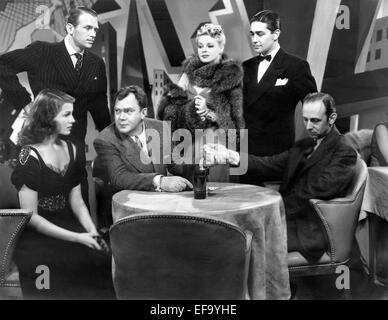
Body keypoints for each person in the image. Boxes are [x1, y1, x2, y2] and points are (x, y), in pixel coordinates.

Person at [204, 92, 357, 261]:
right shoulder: (305, 145)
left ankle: (264, 287)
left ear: (332, 118)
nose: (308, 126)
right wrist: (231, 156)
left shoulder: (344, 151)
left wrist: (269, 210)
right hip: (288, 219)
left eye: (315, 120)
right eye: (305, 119)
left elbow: (316, 191)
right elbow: (270, 164)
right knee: (228, 231)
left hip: (309, 228)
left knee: (240, 241)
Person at [11, 89, 115, 299]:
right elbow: (32, 218)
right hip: (38, 239)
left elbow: (77, 202)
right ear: (48, 117)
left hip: (70, 225)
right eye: (66, 114)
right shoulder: (28, 157)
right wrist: (78, 238)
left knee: (102, 258)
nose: (74, 120)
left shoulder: (73, 148)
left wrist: (91, 232)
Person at [0, 6, 111, 203]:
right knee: (42, 218)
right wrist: (25, 103)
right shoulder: (42, 52)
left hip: (75, 153)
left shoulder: (96, 64)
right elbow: (3, 65)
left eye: (95, 29)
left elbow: (100, 110)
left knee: (79, 212)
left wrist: (117, 141)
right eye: (87, 28)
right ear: (69, 28)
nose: (93, 33)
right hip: (41, 152)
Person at [157, 23, 244, 182]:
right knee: (188, 194)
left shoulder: (229, 78)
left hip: (215, 144)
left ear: (220, 47)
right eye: (200, 46)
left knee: (214, 196)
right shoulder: (187, 74)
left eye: (210, 45)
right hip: (186, 143)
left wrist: (208, 113)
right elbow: (170, 112)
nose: (204, 50)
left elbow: (234, 124)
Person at [242, 10, 316, 185]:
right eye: (252, 34)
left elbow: (316, 105)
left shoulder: (296, 66)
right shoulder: (246, 67)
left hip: (276, 155)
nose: (254, 39)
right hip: (245, 153)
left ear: (276, 34)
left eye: (260, 34)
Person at [94, 85, 192, 193]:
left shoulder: (161, 128)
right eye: (117, 111)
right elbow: (119, 177)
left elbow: (175, 164)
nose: (121, 117)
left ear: (143, 113)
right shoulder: (105, 139)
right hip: (126, 202)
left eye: (128, 111)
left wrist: (202, 163)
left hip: (160, 201)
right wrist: (160, 181)